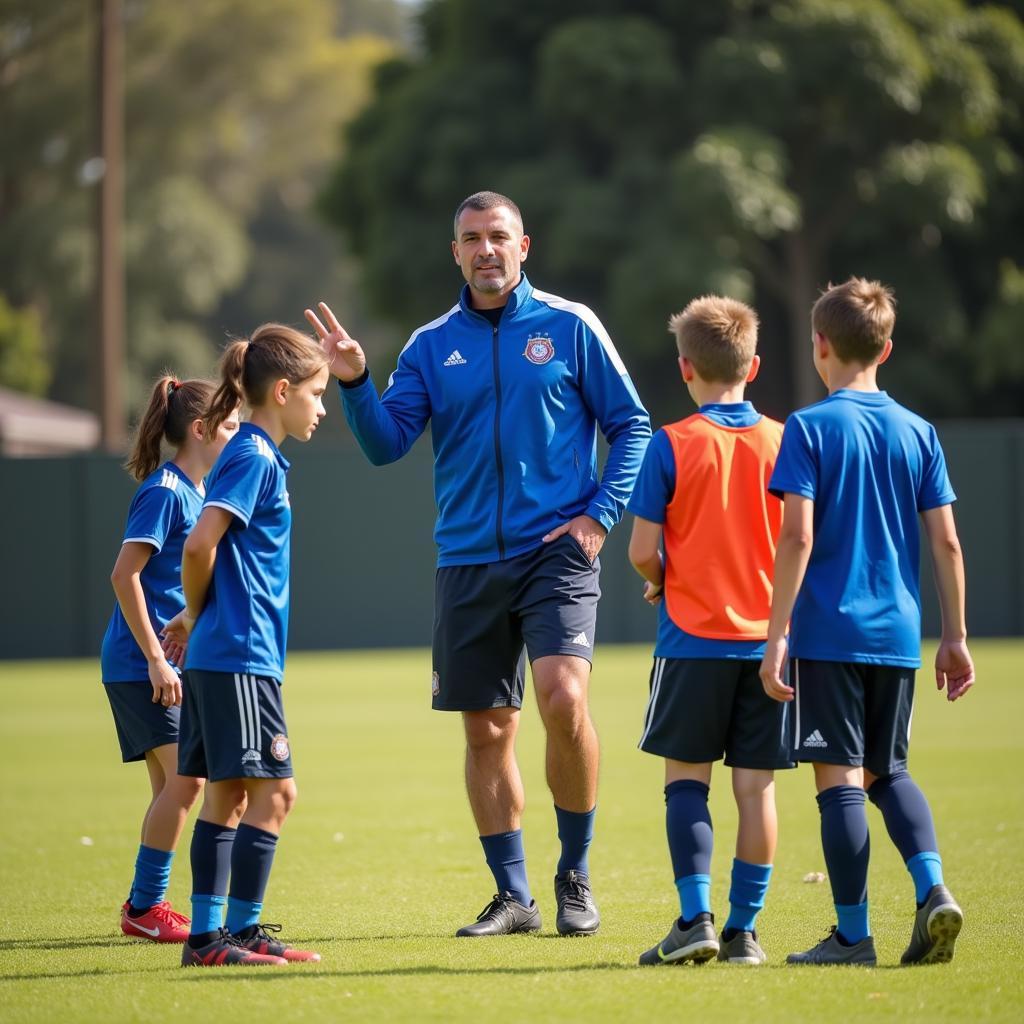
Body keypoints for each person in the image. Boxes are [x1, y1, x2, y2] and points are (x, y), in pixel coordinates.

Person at [305, 190, 651, 937]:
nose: (486, 249)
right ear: (455, 252)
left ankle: (576, 876)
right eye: (472, 238)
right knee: (488, 733)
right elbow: (384, 443)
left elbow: (633, 425)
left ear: (525, 246)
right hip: (466, 560)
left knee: (564, 702)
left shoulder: (570, 325)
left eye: (499, 236)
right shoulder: (431, 345)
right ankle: (514, 896)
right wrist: (357, 381)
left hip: (556, 552)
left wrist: (598, 517)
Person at [760, 277, 974, 967]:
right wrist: (956, 636)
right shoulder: (919, 431)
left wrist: (775, 636)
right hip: (897, 638)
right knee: (890, 773)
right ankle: (932, 887)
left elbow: (795, 539)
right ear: (886, 346)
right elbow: (945, 542)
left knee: (840, 781)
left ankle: (852, 936)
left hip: (828, 636)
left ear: (820, 345)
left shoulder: (810, 427)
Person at [628, 296, 791, 967]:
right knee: (756, 791)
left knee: (685, 783)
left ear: (685, 367)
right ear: (753, 365)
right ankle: (744, 933)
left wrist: (664, 579)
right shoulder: (785, 439)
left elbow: (641, 549)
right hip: (769, 646)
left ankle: (694, 919)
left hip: (692, 643)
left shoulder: (670, 442)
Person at [162, 325, 330, 967]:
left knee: (229, 795)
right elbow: (200, 544)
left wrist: (188, 619)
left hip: (224, 653)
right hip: (239, 655)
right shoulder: (256, 456)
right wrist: (200, 613)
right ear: (282, 391)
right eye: (315, 394)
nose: (320, 406)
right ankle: (228, 935)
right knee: (275, 794)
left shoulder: (255, 455)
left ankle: (219, 938)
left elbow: (217, 553)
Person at [101, 374, 239, 943]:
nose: (238, 435)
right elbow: (123, 574)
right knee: (190, 780)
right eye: (230, 426)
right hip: (142, 666)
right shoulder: (166, 491)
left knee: (174, 786)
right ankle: (143, 906)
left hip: (168, 664)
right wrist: (157, 658)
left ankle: (147, 906)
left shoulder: (202, 492)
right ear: (202, 430)